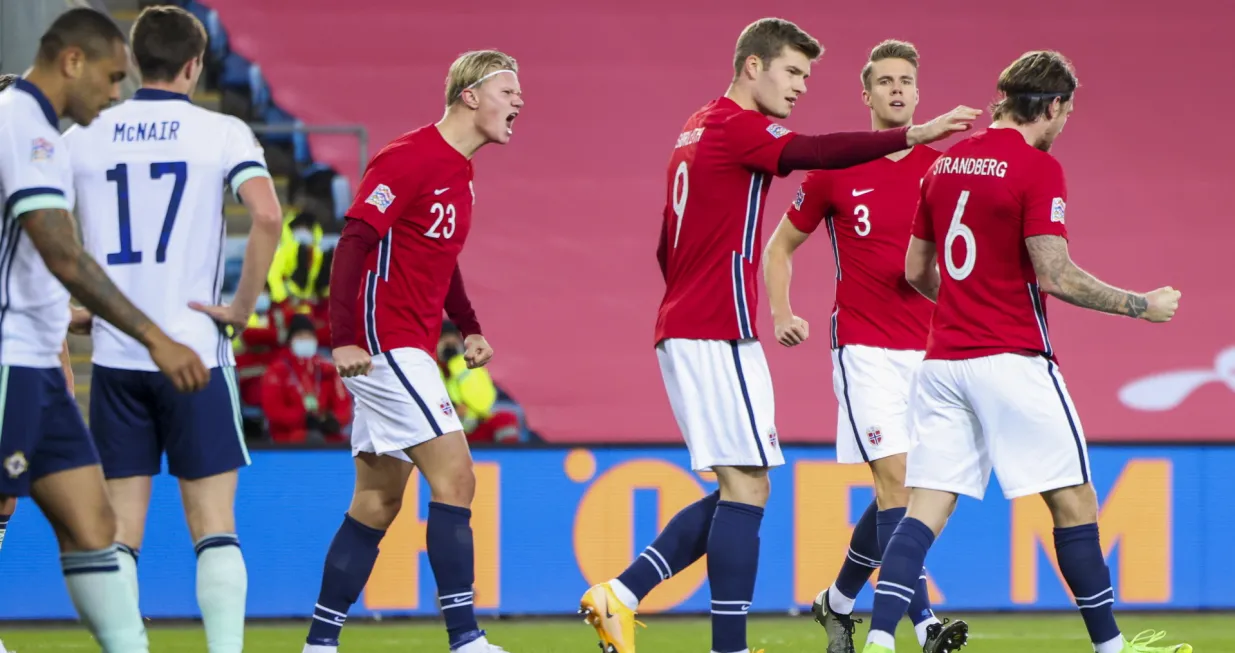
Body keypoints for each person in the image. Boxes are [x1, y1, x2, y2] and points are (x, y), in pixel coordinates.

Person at [579, 17, 979, 653]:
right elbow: (811, 154)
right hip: (718, 327)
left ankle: (621, 594)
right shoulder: (737, 126)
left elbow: (665, 241)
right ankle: (728, 644)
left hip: (695, 322)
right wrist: (914, 134)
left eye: (806, 76)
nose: (798, 88)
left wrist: (692, 291)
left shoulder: (698, 126)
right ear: (752, 67)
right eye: (792, 72)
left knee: (742, 487)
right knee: (752, 489)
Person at [861, 51, 1189, 653]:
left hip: (941, 365)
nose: (1065, 126)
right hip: (1011, 357)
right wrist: (1141, 305)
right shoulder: (1036, 169)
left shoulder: (944, 163)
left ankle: (880, 641)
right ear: (1055, 105)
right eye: (1067, 113)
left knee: (923, 509)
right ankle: (1111, 648)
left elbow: (915, 270)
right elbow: (1056, 275)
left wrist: (964, 305)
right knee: (1074, 500)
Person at [62, 6, 282, 652]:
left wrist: (69, 307)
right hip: (194, 353)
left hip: (116, 356)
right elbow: (265, 216)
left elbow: (38, 229)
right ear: (194, 66)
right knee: (213, 526)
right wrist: (240, 307)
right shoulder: (222, 132)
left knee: (119, 533)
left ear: (132, 63)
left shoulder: (84, 135)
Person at [0, 8, 209, 652]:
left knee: (95, 528)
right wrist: (154, 335)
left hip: (37, 361)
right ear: (73, 62)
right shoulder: (22, 125)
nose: (117, 93)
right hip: (9, 359)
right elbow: (63, 254)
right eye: (113, 77)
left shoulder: (36, 131)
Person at [302, 49, 522, 653]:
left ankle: (319, 643)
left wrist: (468, 324)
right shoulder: (409, 156)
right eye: (508, 91)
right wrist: (342, 335)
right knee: (456, 476)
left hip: (410, 342)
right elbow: (354, 241)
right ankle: (466, 639)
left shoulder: (461, 171)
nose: (519, 103)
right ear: (470, 96)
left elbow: (439, 258)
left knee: (376, 501)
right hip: (384, 341)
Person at [763, 40, 966, 653]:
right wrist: (782, 311)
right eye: (885, 81)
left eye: (906, 79)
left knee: (906, 493)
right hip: (864, 346)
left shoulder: (943, 170)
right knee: (899, 484)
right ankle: (924, 625)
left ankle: (839, 600)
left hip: (929, 353)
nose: (897, 90)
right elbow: (778, 249)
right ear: (867, 94)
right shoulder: (836, 169)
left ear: (918, 91)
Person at [261, 314, 352, 443]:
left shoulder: (327, 369)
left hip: (327, 435)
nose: (305, 340)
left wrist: (334, 420)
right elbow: (273, 410)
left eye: (309, 336)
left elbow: (343, 405)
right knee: (313, 439)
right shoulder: (277, 371)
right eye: (300, 336)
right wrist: (302, 418)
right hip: (288, 438)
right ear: (290, 340)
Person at [437, 321, 520, 444]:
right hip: (444, 431)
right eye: (445, 342)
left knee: (505, 419)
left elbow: (483, 404)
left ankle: (510, 460)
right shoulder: (428, 367)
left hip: (471, 427)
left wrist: (458, 363)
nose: (450, 347)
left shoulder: (470, 366)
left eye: (454, 342)